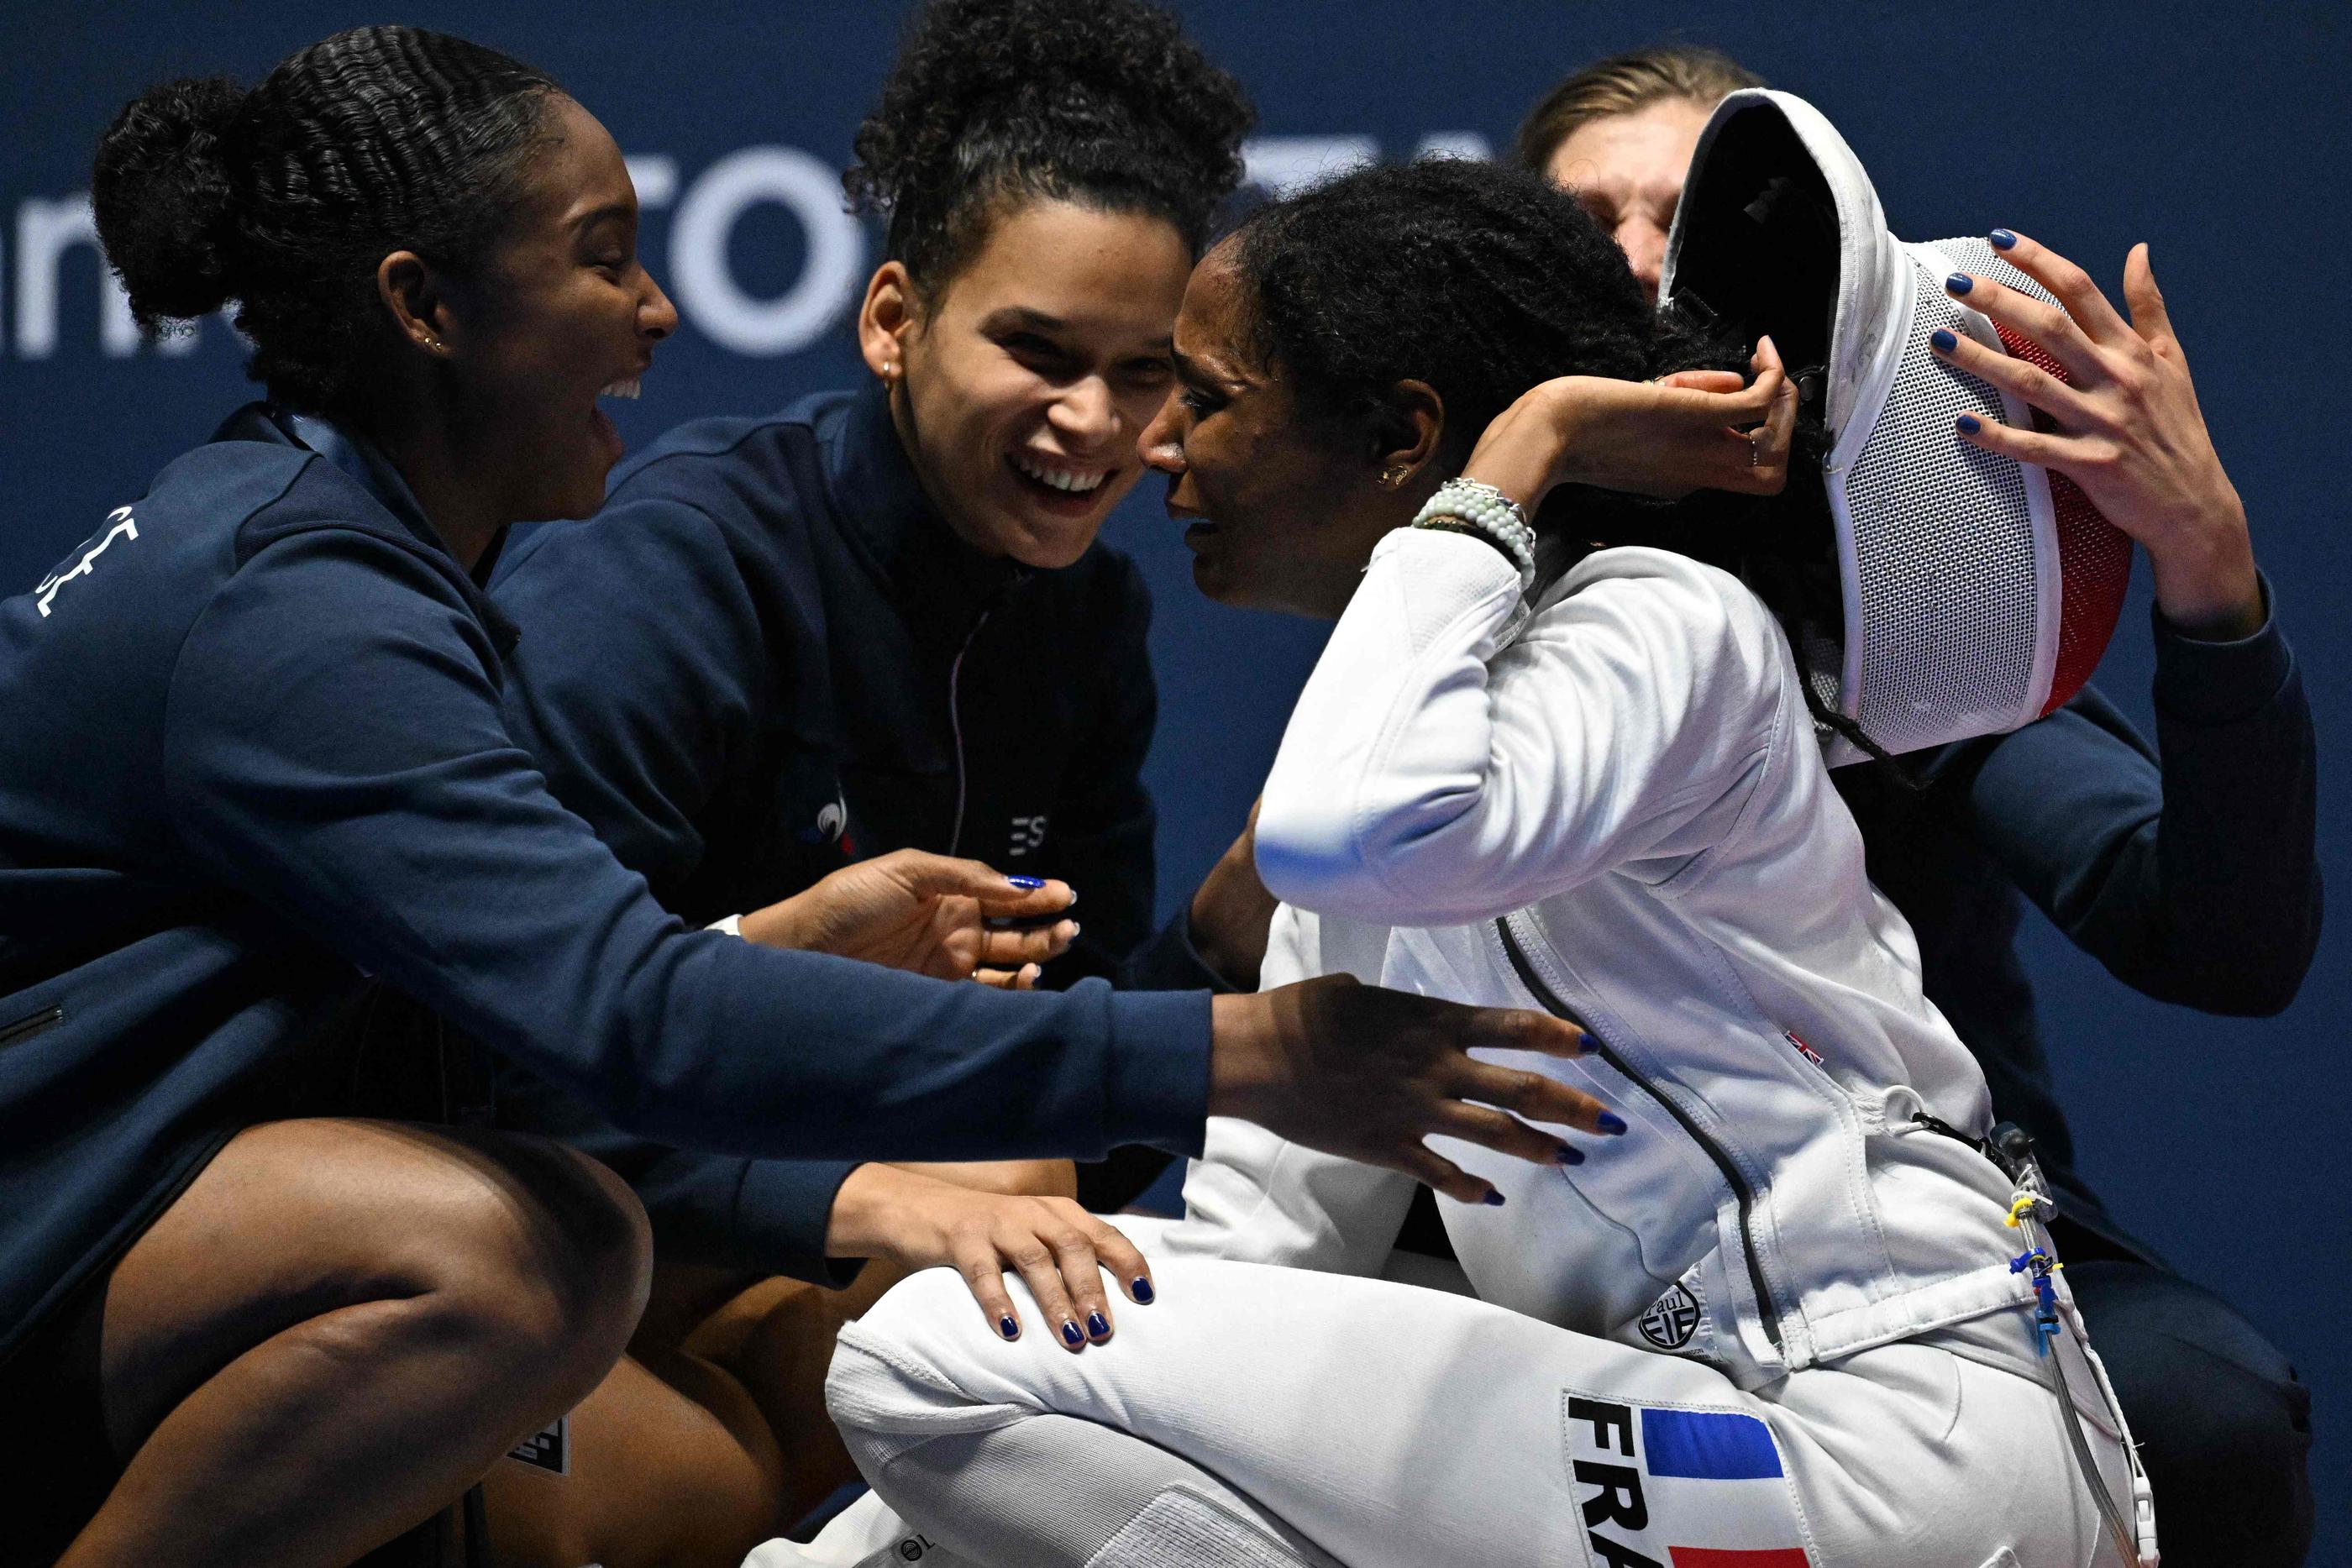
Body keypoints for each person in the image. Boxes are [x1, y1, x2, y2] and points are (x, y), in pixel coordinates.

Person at [0, 32, 1614, 1565]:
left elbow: (515, 1014)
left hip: (197, 1188)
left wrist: (1172, 958)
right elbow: (591, 1039)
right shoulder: (356, 600)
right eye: (603, 256)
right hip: (140, 1214)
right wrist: (1242, 1055)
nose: (656, 313)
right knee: (551, 1272)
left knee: (962, 1277)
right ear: (426, 307)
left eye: (1153, 378)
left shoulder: (363, 554)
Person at [791, 157, 2194, 1568]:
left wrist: (1523, 451)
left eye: (1210, 398)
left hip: (1894, 1432)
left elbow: (1352, 834)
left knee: (925, 1349)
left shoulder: (1660, 629)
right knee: (964, 1363)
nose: (1161, 444)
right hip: (1720, 1430)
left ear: (1406, 438)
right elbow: (1278, 1249)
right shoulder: (1397, 737)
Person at [475, 3, 1288, 1559]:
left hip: (782, 1252)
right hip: (536, 1230)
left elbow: (1067, 1105)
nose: (1096, 428)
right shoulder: (672, 580)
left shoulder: (1088, 618)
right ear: (894, 318)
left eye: (1145, 376)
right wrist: (876, 1198)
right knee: (725, 1461)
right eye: (1038, 353)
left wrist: (1215, 947)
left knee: (1045, 1297)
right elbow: (498, 1077)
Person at [1518, 46, 2318, 1567]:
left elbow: (2226, 942)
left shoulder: (1904, 633)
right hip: (1567, 1266)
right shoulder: (1449, 587)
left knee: (2201, 1412)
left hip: (1930, 1246)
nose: (1636, 265)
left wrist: (2208, 569)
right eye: (1586, 225)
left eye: (1681, 223)